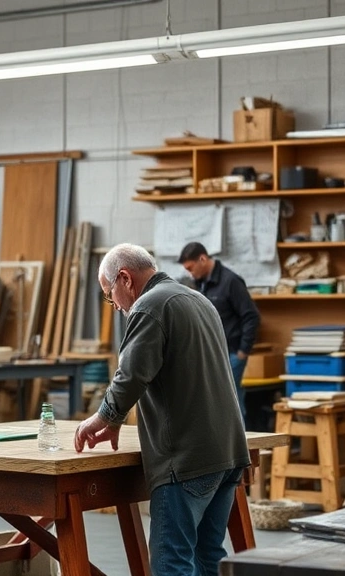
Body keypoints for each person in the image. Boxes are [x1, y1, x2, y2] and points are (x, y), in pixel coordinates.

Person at [74, 243, 250, 576]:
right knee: (207, 555)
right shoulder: (198, 300)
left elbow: (131, 375)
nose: (114, 306)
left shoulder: (149, 306)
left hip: (186, 461)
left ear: (125, 279)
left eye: (110, 295)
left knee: (172, 562)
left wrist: (104, 417)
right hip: (226, 455)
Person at [177, 242, 260, 420]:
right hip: (209, 353)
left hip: (231, 353)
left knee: (231, 402)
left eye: (191, 268)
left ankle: (241, 445)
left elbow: (251, 316)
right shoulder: (199, 284)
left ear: (203, 259)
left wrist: (243, 351)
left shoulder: (231, 281)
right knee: (213, 403)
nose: (190, 273)